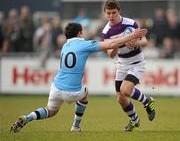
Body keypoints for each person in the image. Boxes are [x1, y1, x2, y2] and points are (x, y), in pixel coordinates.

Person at [10, 22, 147, 133]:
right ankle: (75, 126)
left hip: (56, 87)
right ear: (79, 33)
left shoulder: (65, 46)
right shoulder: (84, 44)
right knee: (84, 94)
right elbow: (111, 45)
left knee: (50, 111)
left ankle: (27, 118)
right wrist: (131, 36)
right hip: (72, 91)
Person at [102, 0, 156, 131]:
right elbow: (110, 54)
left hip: (136, 62)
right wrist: (117, 45)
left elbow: (144, 41)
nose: (111, 16)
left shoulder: (130, 23)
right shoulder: (106, 31)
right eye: (108, 13)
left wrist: (135, 43)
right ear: (105, 13)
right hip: (122, 64)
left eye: (113, 13)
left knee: (125, 90)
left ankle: (147, 101)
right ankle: (134, 120)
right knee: (121, 98)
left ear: (119, 11)